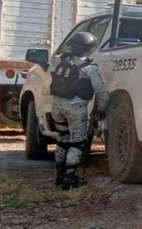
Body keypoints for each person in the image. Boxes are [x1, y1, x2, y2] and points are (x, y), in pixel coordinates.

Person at [49, 31, 109, 190]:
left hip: (57, 107)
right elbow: (101, 92)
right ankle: (69, 179)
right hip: (76, 109)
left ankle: (59, 176)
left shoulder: (61, 61)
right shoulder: (89, 68)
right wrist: (102, 110)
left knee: (62, 140)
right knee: (77, 143)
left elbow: (53, 60)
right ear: (88, 49)